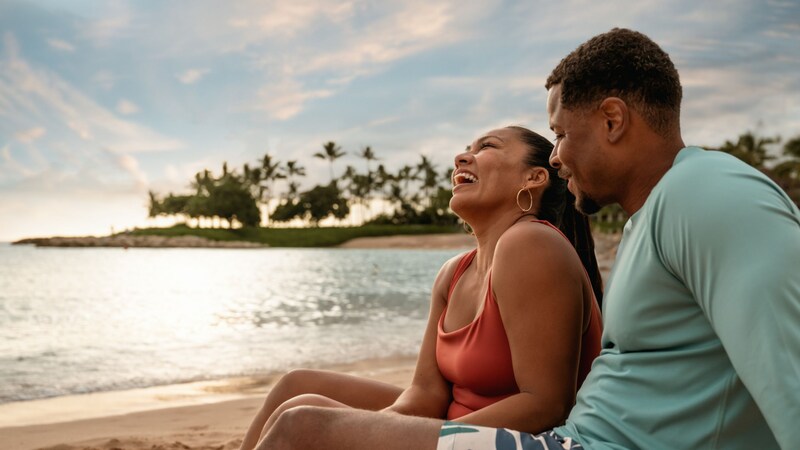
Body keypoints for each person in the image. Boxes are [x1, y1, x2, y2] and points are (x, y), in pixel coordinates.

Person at [254, 28, 800, 450]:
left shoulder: (708, 193)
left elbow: (788, 361)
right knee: (298, 410)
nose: (557, 155)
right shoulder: (650, 219)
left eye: (561, 134)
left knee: (303, 429)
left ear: (612, 120)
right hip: (573, 440)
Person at [240, 125, 604, 450]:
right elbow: (425, 394)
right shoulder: (454, 272)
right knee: (295, 387)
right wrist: (382, 429)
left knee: (300, 422)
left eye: (487, 147)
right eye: (466, 148)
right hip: (454, 428)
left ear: (534, 177)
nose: (463, 157)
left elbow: (546, 404)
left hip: (530, 440)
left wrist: (415, 438)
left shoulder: (532, 244)